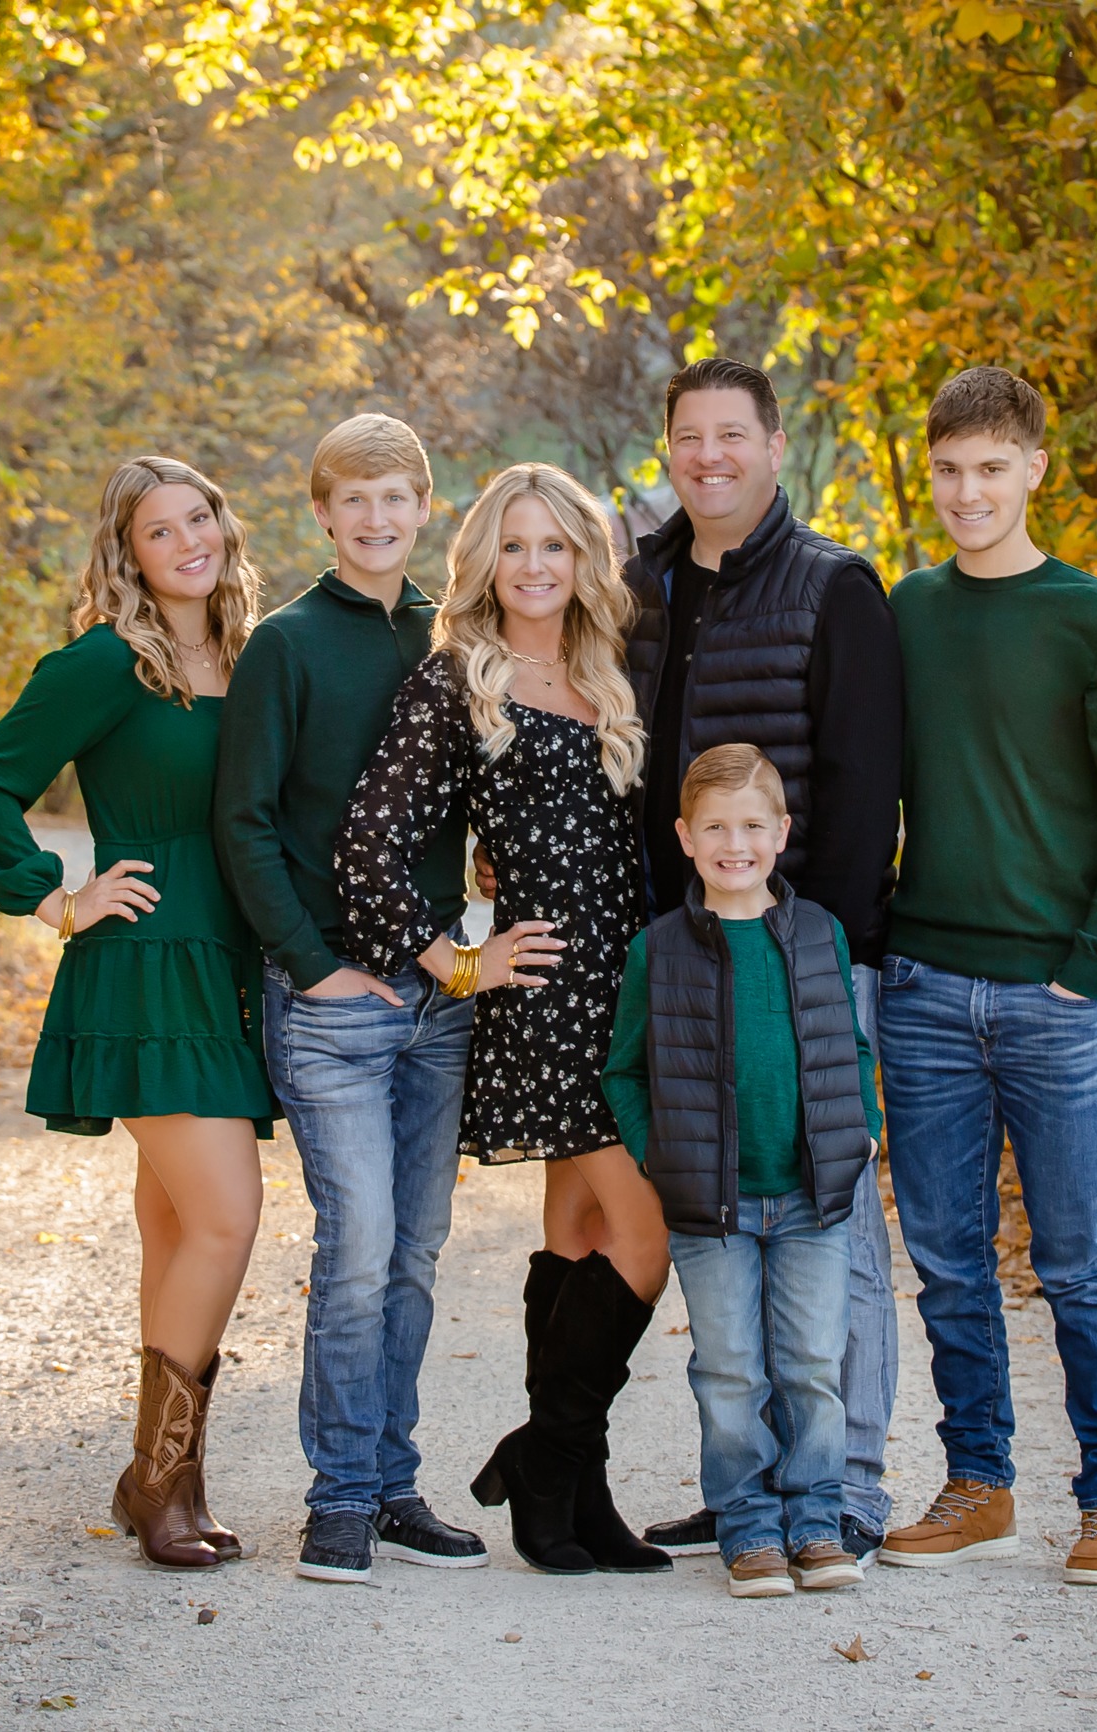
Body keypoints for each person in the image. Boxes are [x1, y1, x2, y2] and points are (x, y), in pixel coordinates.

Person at [336, 461, 670, 1577]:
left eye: (555, 547)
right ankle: (544, 1456)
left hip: (624, 989)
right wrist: (458, 960)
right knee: (643, 1236)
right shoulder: (457, 679)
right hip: (539, 999)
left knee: (575, 1237)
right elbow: (367, 848)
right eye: (514, 547)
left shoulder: (604, 669)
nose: (534, 567)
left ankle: (570, 1496)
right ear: (486, 559)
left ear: (584, 560)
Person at [875, 367, 1097, 1584]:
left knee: (1075, 1261)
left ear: (1033, 470)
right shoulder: (908, 611)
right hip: (926, 987)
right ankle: (977, 1481)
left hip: (1053, 997)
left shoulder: (1095, 618)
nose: (965, 493)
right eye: (947, 470)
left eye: (989, 469)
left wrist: (1087, 962)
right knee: (948, 1258)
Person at [0, 455, 271, 1571]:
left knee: (180, 1225)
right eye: (157, 530)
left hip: (228, 964)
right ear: (125, 552)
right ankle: (155, 1480)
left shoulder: (249, 653)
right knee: (229, 1215)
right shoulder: (104, 662)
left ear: (224, 529)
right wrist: (54, 894)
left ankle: (171, 1482)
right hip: (143, 963)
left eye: (200, 518)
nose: (186, 542)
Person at [624, 357, 905, 1564]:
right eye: (689, 437)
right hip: (683, 956)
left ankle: (844, 1485)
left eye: (731, 435)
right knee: (729, 1228)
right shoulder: (638, 582)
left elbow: (858, 787)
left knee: (828, 1225)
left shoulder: (833, 585)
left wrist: (816, 953)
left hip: (808, 955)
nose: (709, 457)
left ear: (774, 445)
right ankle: (754, 1487)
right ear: (669, 450)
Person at [213, 415, 483, 1584]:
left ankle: (392, 1482)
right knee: (360, 1241)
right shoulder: (285, 645)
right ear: (321, 514)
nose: (375, 519)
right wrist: (312, 960)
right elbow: (245, 819)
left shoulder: (452, 635)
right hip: (329, 1000)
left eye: (395, 498)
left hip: (438, 996)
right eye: (352, 501)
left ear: (426, 504)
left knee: (416, 1252)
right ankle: (336, 1498)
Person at [602, 745, 882, 1598]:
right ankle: (749, 1527)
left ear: (782, 832)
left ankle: (816, 1521)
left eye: (753, 825)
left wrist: (863, 1130)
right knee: (729, 1367)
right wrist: (660, 1154)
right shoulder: (661, 949)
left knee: (809, 1364)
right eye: (716, 828)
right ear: (684, 838)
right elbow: (624, 1070)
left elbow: (851, 1047)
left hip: (812, 1197)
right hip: (711, 1208)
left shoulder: (817, 933)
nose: (736, 844)